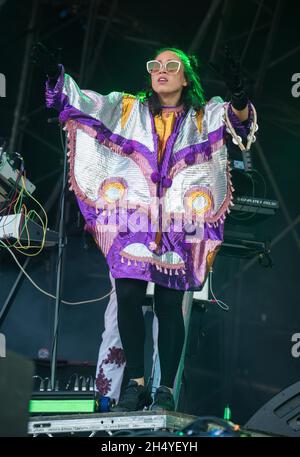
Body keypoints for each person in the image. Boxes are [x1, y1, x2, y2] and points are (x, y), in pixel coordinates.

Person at [34, 43, 257, 412]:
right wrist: (54, 77)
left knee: (170, 304)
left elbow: (240, 123)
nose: (161, 70)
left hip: (181, 220)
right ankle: (135, 385)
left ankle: (165, 389)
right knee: (128, 296)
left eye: (172, 65)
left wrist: (238, 95)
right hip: (133, 217)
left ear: (186, 78)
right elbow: (82, 103)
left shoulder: (205, 115)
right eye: (156, 65)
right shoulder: (126, 108)